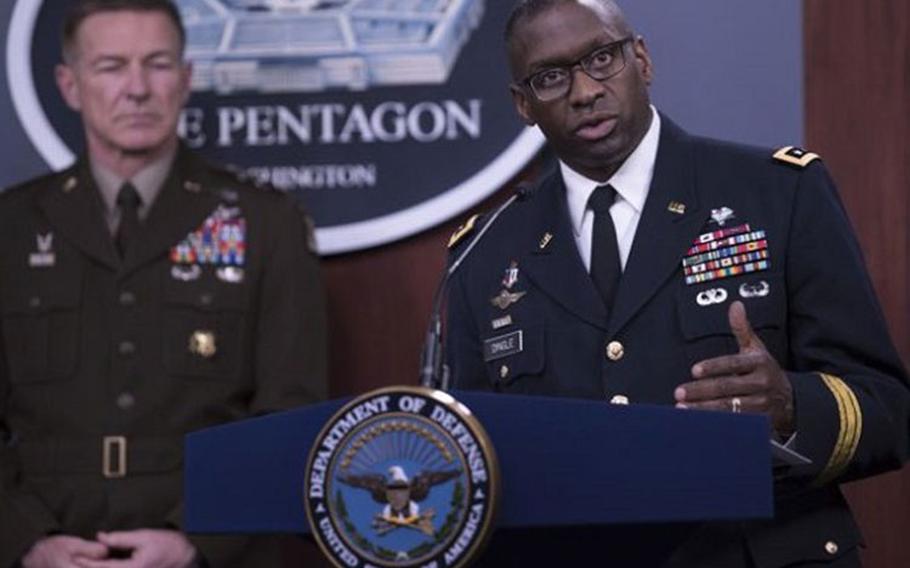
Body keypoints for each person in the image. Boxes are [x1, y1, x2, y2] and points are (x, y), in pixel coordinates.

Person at [445, 0, 910, 566]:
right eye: (550, 77)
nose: (585, 90)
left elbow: (888, 409)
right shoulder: (483, 250)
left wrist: (793, 406)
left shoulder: (777, 192)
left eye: (601, 58)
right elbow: (469, 452)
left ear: (641, 58)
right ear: (523, 104)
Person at [0, 1, 327, 566]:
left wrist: (197, 539)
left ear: (186, 78)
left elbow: (290, 416)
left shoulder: (264, 222)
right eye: (110, 66)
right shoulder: (11, 226)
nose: (137, 88)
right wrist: (25, 540)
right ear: (69, 85)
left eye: (157, 64)